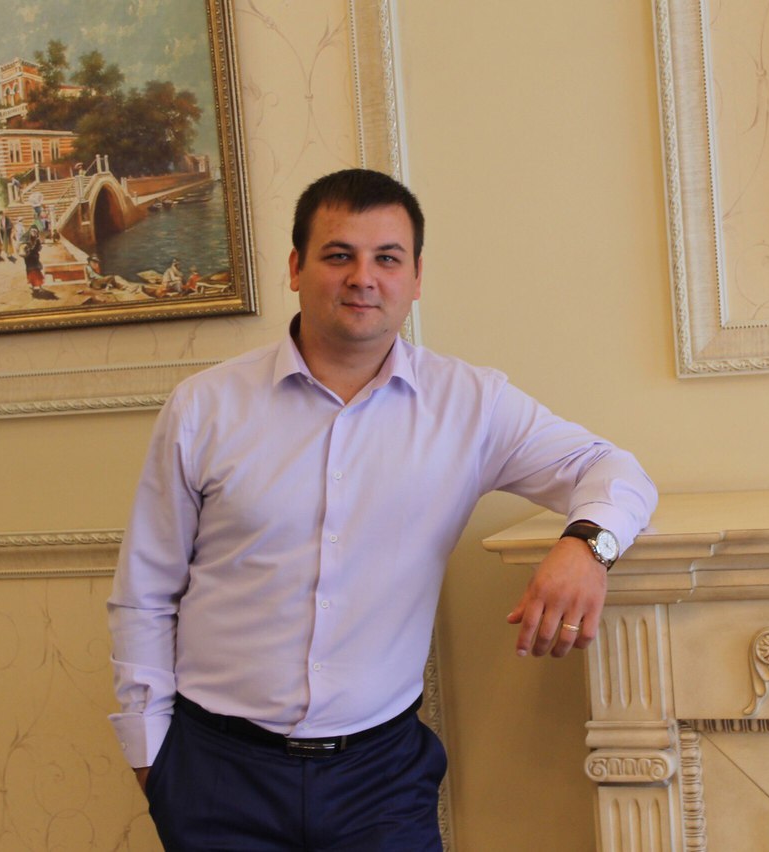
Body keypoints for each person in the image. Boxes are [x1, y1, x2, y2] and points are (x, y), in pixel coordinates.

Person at [107, 169, 657, 851]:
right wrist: (151, 757)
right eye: (339, 255)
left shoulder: (471, 405)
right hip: (217, 773)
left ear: (416, 277)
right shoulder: (205, 407)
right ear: (295, 268)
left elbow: (616, 470)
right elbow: (146, 590)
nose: (363, 277)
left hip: (380, 781)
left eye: (387, 258)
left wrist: (586, 547)